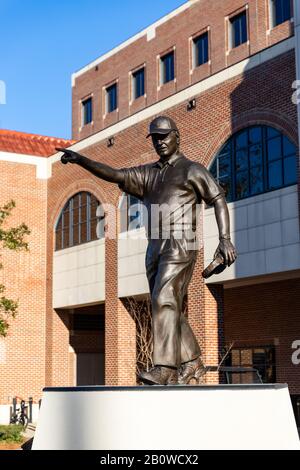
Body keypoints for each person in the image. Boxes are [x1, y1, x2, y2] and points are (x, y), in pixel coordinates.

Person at [57, 115, 237, 385]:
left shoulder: (192, 169)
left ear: (177, 136)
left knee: (163, 298)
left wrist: (224, 239)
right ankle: (192, 362)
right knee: (167, 304)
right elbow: (115, 174)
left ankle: (164, 367)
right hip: (154, 246)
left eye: (164, 136)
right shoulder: (148, 174)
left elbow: (218, 199)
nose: (160, 142)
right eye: (155, 138)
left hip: (180, 242)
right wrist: (82, 160)